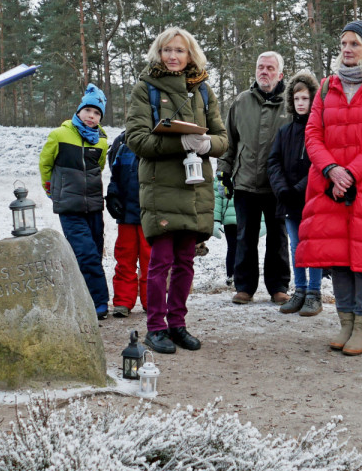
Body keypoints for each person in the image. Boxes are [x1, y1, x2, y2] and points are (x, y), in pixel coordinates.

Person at [297, 21, 362, 356]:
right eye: (343, 43)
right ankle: (344, 323)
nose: (347, 49)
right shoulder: (326, 87)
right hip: (330, 186)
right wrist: (331, 169)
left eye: (354, 43)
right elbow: (312, 133)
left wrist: (351, 173)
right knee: (338, 257)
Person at [124, 27, 227, 354]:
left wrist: (207, 142)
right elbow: (136, 140)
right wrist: (179, 141)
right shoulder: (145, 89)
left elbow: (224, 140)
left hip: (195, 187)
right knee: (161, 262)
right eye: (167, 50)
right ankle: (156, 328)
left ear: (190, 55)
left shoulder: (203, 90)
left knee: (185, 262)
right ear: (158, 52)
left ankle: (177, 324)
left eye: (179, 51)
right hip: (160, 187)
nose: (173, 56)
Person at [217, 52, 291, 305]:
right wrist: (225, 172)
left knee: (278, 237)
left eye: (270, 68)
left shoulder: (289, 105)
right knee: (244, 236)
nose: (264, 72)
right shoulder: (241, 101)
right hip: (245, 180)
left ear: (280, 75)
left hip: (278, 184)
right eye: (261, 67)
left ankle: (279, 287)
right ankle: (245, 287)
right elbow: (229, 141)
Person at [40, 85, 111, 320]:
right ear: (79, 111)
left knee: (95, 254)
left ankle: (82, 296)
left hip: (93, 206)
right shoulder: (59, 135)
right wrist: (51, 190)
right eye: (88, 110)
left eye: (97, 113)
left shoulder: (101, 141)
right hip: (69, 207)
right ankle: (98, 303)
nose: (92, 116)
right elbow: (46, 165)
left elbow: (98, 167)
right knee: (86, 254)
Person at [266, 70, 324, 317]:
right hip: (288, 200)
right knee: (296, 246)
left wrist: (299, 189)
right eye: (297, 99)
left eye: (306, 99)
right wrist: (282, 189)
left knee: (314, 246)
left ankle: (314, 293)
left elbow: (319, 164)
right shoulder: (285, 131)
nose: (301, 104)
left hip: (313, 198)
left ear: (313, 100)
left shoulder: (321, 129)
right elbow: (274, 161)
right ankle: (299, 291)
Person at [105, 131, 149, 317]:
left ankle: (152, 301)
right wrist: (113, 195)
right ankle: (123, 302)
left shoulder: (156, 141)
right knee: (124, 259)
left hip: (151, 216)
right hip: (126, 215)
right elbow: (115, 176)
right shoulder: (122, 145)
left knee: (151, 261)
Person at [212, 176, 238, 288]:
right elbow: (217, 198)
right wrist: (215, 220)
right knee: (239, 248)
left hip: (230, 218)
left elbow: (216, 199)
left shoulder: (222, 175)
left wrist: (216, 219)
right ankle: (234, 275)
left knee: (233, 248)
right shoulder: (223, 176)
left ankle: (231, 275)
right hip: (237, 219)